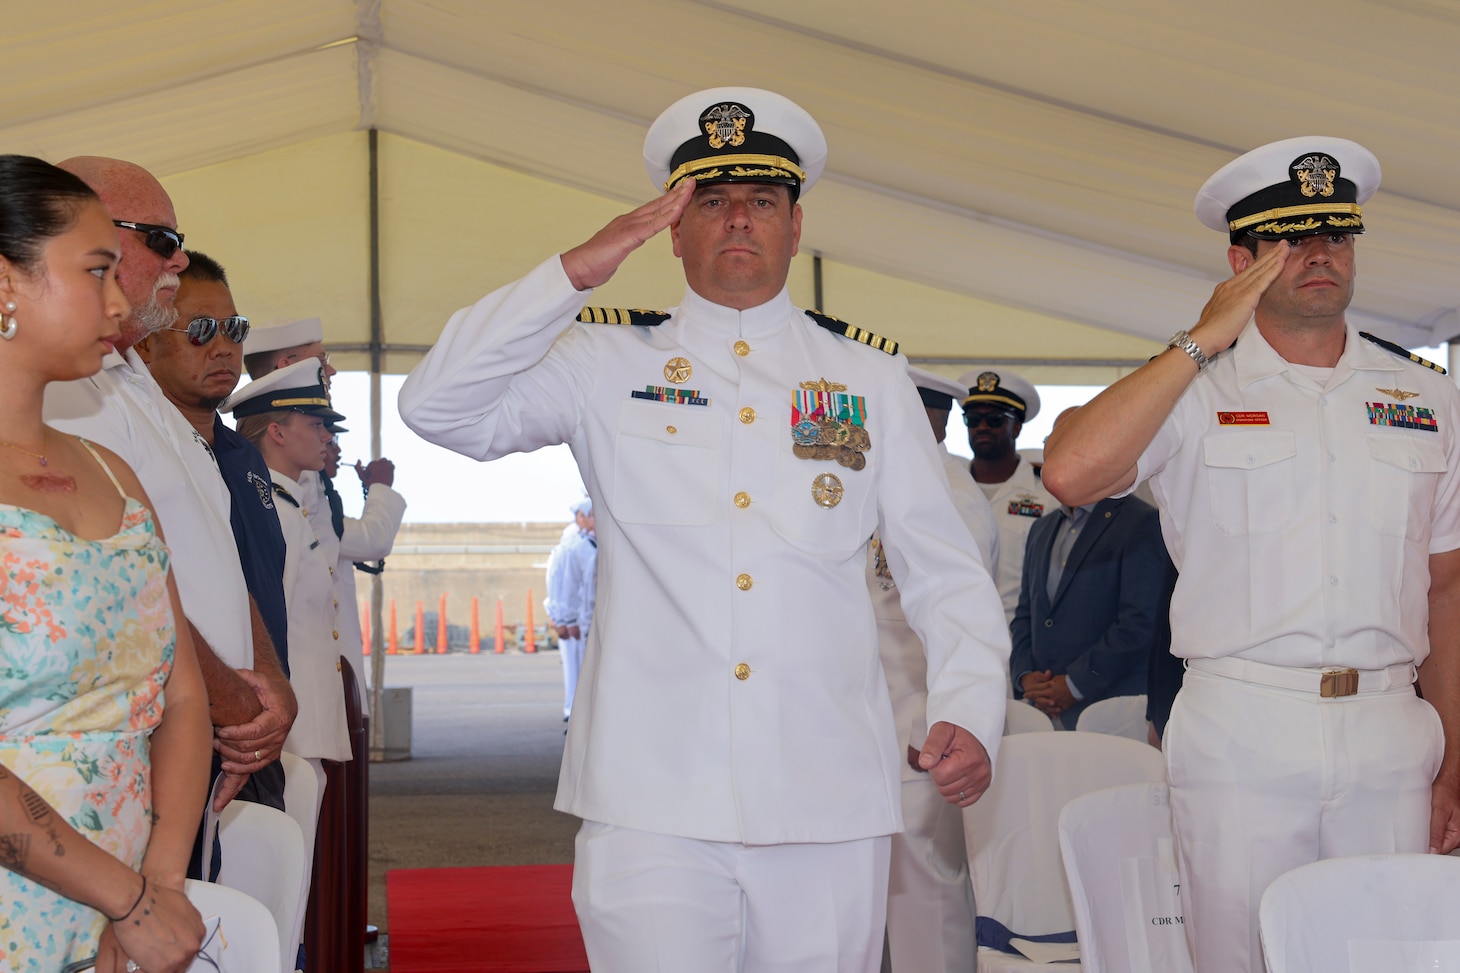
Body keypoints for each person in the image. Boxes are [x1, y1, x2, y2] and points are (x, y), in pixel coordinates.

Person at [399, 86, 1009, 971]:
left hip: (825, 794)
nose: (738, 222)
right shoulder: (604, 358)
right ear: (672, 229)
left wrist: (968, 709)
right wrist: (573, 272)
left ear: (797, 226)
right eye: (711, 202)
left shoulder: (867, 374)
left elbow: (943, 567)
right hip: (649, 795)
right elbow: (438, 407)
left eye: (762, 201)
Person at [1041, 136, 1460, 973]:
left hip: (1390, 727)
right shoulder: (1196, 392)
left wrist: (1454, 759)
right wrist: (1202, 338)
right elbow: (1069, 471)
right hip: (1244, 725)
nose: (1318, 255)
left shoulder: (1425, 396)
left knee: (1387, 956)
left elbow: (1446, 589)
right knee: (1241, 956)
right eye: (1288, 238)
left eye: (1335, 235)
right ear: (1241, 259)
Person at [0, 155, 209, 973]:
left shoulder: (112, 474)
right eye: (95, 271)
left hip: (129, 923)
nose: (120, 302)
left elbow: (182, 694)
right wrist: (124, 895)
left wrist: (159, 886)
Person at [42, 158, 290, 826]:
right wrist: (239, 707)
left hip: (207, 731)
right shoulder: (62, 388)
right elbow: (125, 588)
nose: (178, 261)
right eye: (160, 239)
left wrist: (266, 676)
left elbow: (214, 553)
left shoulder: (128, 373)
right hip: (153, 740)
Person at [133, 249, 296, 820]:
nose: (224, 346)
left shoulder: (241, 455)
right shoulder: (143, 448)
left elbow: (249, 586)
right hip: (190, 728)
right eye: (201, 330)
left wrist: (272, 689)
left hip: (256, 725)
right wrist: (238, 707)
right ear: (146, 342)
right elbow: (147, 595)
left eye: (235, 329)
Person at [872, 367, 997, 973]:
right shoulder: (876, 479)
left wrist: (942, 718)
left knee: (929, 902)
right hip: (871, 727)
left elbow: (962, 615)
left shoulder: (949, 487)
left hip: (921, 733)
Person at [225, 361, 353, 793]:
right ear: (276, 432)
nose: (327, 437)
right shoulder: (273, 511)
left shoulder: (287, 505)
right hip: (289, 729)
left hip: (303, 725)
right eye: (316, 424)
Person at [1010, 408, 1173, 729]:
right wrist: (1025, 676)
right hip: (1041, 709)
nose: (1053, 454)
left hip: (1108, 712)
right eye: (1050, 444)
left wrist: (1073, 684)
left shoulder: (1141, 523)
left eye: (1065, 443)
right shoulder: (1042, 529)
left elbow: (1139, 623)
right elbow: (1026, 614)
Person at [959, 367, 1056, 623]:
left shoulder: (1047, 496)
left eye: (994, 419)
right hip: (955, 635)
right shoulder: (946, 491)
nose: (981, 427)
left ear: (1016, 428)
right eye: (971, 419)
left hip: (1020, 639)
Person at [546, 498, 594, 720]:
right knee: (575, 670)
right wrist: (565, 619)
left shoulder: (592, 546)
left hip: (589, 619)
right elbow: (564, 586)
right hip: (580, 621)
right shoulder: (574, 547)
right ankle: (573, 711)